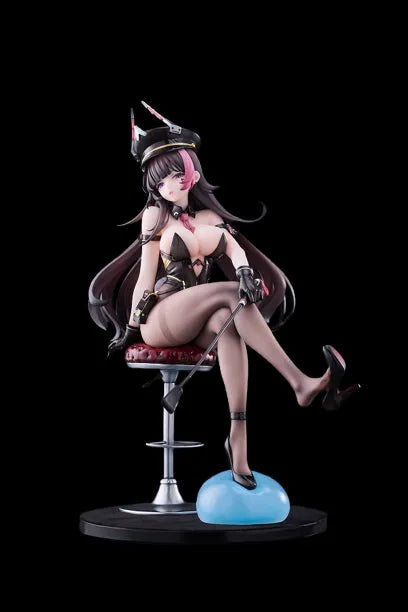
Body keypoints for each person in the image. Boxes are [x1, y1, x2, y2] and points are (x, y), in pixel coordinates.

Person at [88, 102, 360, 490]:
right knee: (233, 295)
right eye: (164, 179)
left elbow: (235, 252)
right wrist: (132, 327)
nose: (174, 183)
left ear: (194, 173)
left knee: (229, 323)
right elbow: (147, 275)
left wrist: (246, 271)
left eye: (180, 173)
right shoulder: (155, 217)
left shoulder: (211, 220)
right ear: (155, 185)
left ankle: (239, 444)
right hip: (161, 317)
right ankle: (299, 383)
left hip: (199, 318)